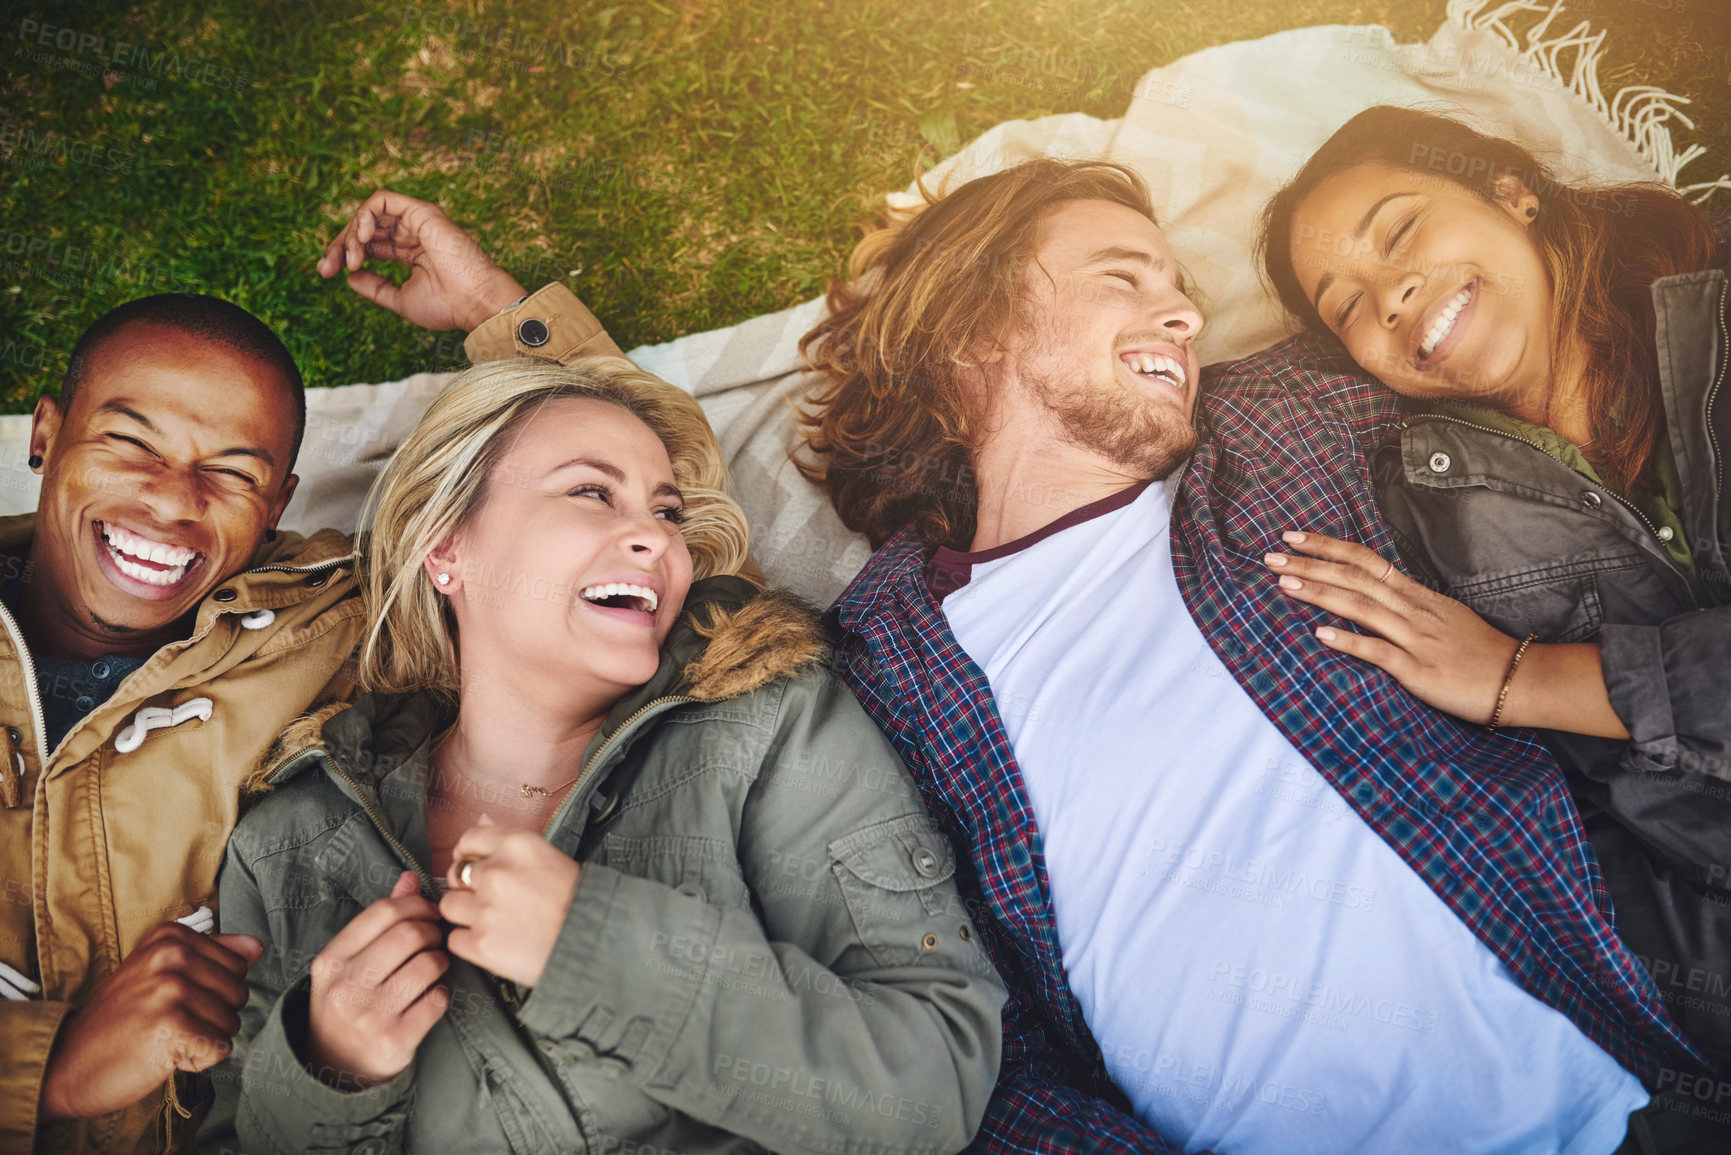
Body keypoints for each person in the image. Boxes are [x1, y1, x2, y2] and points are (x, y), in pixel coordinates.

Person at [316, 175, 1712, 1152]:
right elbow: (647, 532)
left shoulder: (1285, 429)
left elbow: (1516, 326)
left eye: (1176, 286)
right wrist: (504, 315)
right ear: (973, 319)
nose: (1179, 314)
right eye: (1124, 279)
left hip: (1637, 1071)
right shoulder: (876, 660)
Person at [198, 356, 1005, 1154]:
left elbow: (931, 1084)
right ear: (445, 547)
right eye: (592, 492)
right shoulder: (288, 843)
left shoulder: (767, 727)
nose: (654, 538)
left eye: (668, 513)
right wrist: (320, 1071)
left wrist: (595, 953)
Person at [1256, 105, 1731, 1067]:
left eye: (1398, 232)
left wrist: (1523, 677)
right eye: (1344, 306)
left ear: (1512, 191)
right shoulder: (1424, 504)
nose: (1387, 297)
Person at [0, 294, 364, 1153]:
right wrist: (48, 1072)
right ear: (46, 435)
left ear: (278, 503)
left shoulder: (336, 629)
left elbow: (612, 541)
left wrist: (501, 314)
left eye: (234, 472)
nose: (172, 500)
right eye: (131, 442)